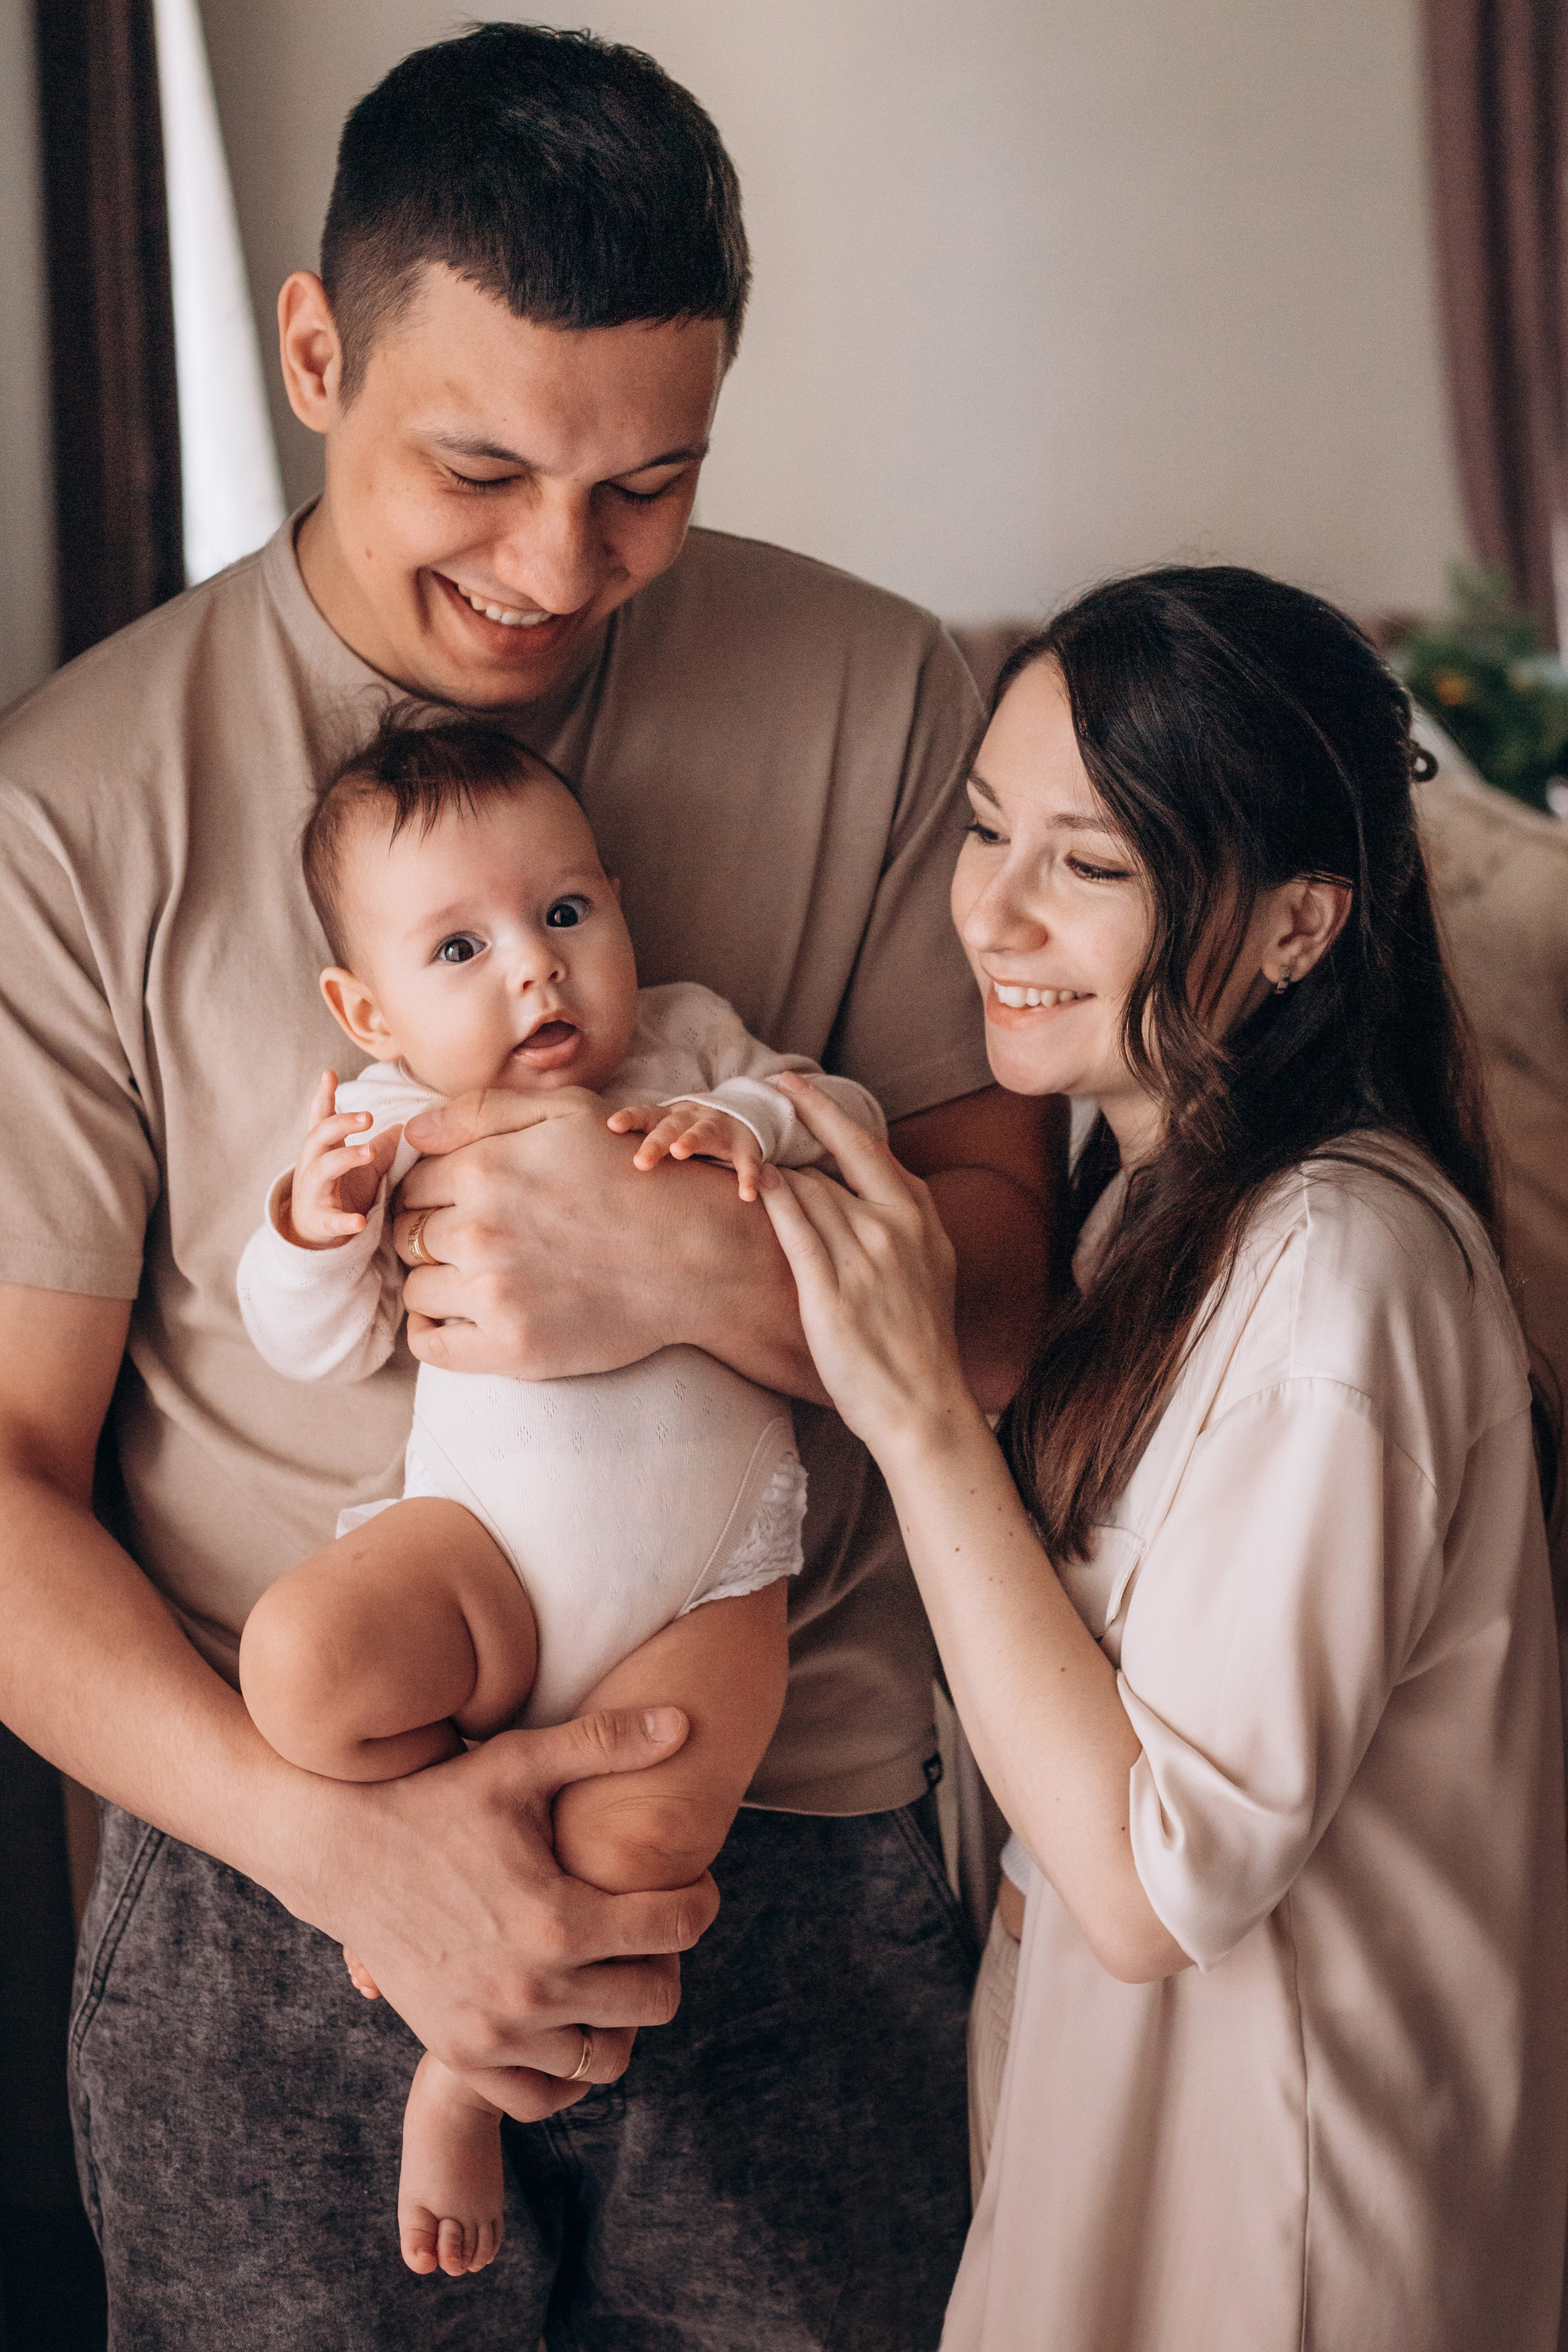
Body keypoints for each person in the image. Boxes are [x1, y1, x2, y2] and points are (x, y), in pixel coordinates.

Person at [0, 24, 1058, 2350]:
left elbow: (1004, 1306)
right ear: (311, 352)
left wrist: (690, 1265)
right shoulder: (73, 809)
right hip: (288, 1880)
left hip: (785, 1833)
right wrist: (339, 1849)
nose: (559, 569)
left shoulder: (883, 699)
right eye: (476, 468)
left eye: (648, 485)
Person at [759, 565, 1568, 2351]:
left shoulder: (1334, 1282)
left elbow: (1149, 1881)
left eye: (1095, 866)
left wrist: (912, 1408)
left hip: (1286, 2216)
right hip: (1136, 2154)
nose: (996, 915)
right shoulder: (1146, 1216)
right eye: (987, 832)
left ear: (1299, 926)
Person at [236, 710, 885, 2278]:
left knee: (644, 1848)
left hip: (709, 1584)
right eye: (456, 949)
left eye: (566, 914)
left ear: (618, 908)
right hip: (485, 1572)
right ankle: (424, 1842)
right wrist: (315, 1229)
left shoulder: (692, 1045)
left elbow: (844, 1127)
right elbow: (309, 1343)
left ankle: (460, 2085)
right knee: (300, 1666)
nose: (534, 968)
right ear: (364, 1006)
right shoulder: (385, 1124)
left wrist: (741, 1126)